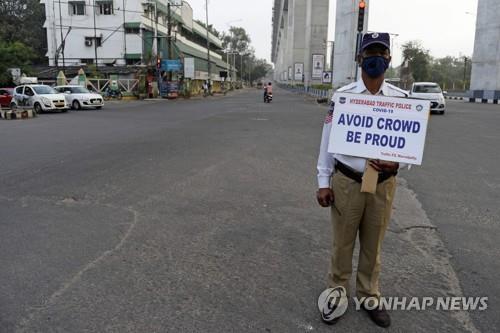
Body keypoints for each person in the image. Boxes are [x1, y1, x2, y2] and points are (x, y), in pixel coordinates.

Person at [316, 32, 409, 328]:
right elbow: (327, 140)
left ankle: (369, 294)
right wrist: (323, 181)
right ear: (359, 59)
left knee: (374, 243)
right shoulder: (343, 98)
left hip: (383, 184)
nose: (376, 60)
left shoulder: (402, 101)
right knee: (342, 243)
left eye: (381, 54)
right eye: (370, 54)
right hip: (347, 181)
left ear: (389, 60)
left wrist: (397, 162)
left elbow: (409, 147)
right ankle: (336, 292)